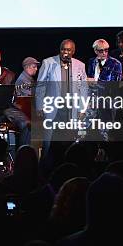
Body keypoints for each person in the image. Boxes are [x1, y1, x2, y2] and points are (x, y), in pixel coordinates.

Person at [35, 39, 87, 173]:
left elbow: (84, 88)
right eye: (63, 49)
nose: (65, 52)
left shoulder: (79, 65)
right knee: (48, 143)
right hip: (53, 108)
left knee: (69, 142)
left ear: (73, 52)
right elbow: (40, 85)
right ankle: (44, 173)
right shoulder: (48, 63)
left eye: (69, 50)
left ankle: (67, 171)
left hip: (72, 109)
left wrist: (83, 108)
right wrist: (39, 106)